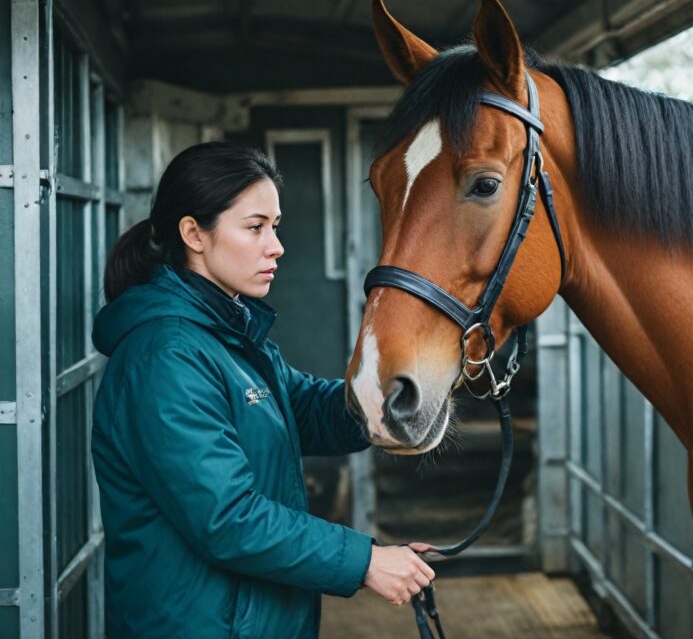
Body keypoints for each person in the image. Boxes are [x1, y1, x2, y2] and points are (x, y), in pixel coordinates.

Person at [91, 142, 435, 638]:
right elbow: (228, 518)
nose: (276, 245)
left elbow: (303, 408)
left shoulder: (226, 333)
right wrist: (366, 562)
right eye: (255, 228)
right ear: (194, 234)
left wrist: (394, 397)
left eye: (274, 226)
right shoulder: (166, 357)